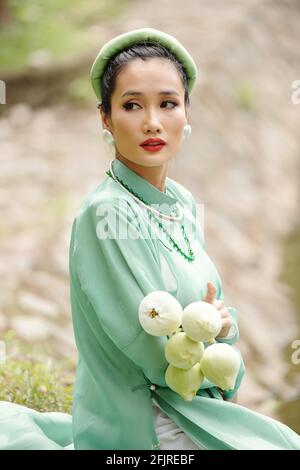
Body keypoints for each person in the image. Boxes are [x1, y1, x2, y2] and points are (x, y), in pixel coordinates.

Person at [0, 27, 299, 451]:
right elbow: (151, 352)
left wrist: (221, 326)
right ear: (105, 118)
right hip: (145, 425)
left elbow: (214, 310)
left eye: (168, 104)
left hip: (191, 406)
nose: (153, 122)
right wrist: (209, 340)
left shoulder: (181, 203)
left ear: (187, 116)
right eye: (132, 105)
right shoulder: (103, 213)